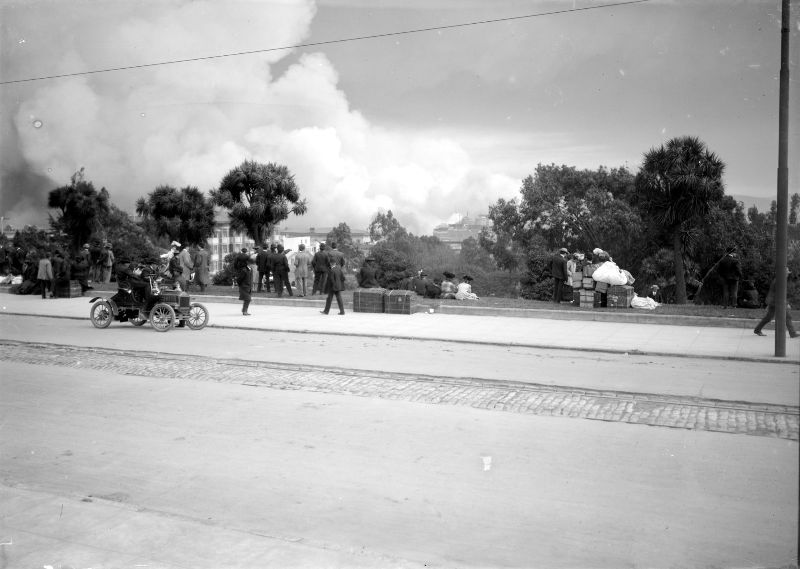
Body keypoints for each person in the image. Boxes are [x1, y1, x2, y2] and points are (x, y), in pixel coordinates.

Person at [754, 270, 798, 338]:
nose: (788, 275)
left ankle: (757, 329)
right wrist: (786, 303)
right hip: (776, 301)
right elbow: (780, 294)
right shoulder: (779, 281)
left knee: (768, 317)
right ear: (783, 273)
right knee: (787, 317)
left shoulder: (778, 279)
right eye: (786, 273)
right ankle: (792, 333)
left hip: (773, 301)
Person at [321, 241, 346, 315]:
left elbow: (327, 263)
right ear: (337, 246)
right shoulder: (341, 254)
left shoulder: (329, 253)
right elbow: (343, 263)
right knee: (337, 296)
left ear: (331, 246)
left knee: (330, 296)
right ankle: (342, 311)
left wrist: (331, 268)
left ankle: (326, 311)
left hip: (332, 272)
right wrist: (338, 268)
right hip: (338, 271)